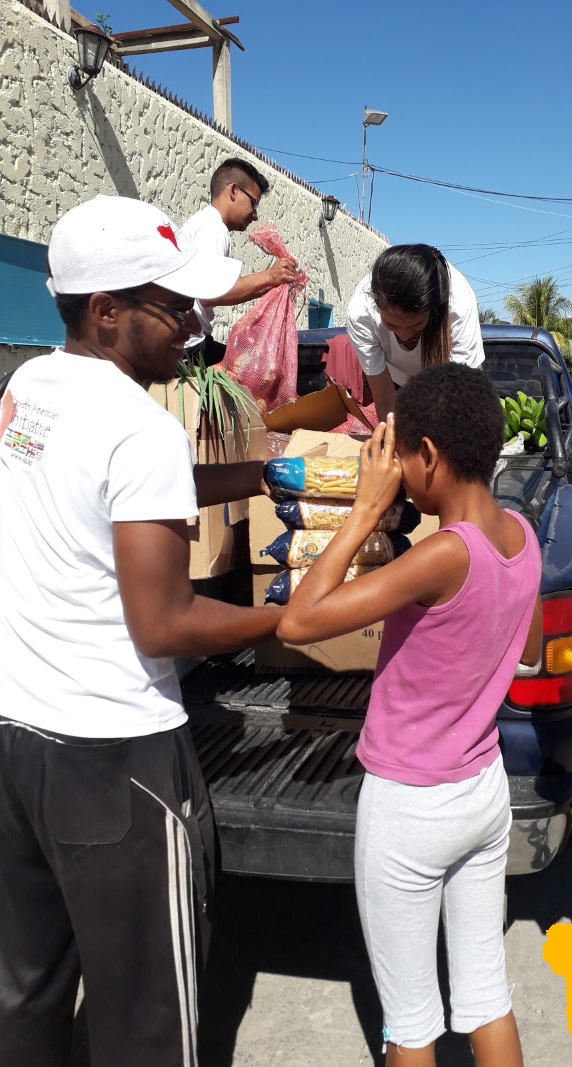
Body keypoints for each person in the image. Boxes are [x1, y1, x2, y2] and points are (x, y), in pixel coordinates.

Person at [0, 194, 283, 1067]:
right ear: (107, 310)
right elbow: (162, 622)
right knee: (149, 1018)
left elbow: (116, 497)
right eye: (175, 306)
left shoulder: (31, 388)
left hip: (18, 738)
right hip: (117, 761)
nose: (197, 325)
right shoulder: (142, 426)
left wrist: (263, 471)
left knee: (26, 992)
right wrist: (285, 617)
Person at [278, 363, 543, 1066]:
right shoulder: (522, 533)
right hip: (483, 789)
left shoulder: (440, 556)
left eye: (399, 458)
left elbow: (298, 621)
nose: (392, 470)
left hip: (410, 807)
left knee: (411, 1020)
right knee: (487, 993)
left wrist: (365, 511)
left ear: (428, 455)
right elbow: (532, 647)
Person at [346, 244, 485, 422]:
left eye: (417, 324)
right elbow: (385, 399)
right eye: (391, 324)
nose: (404, 336)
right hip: (394, 383)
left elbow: (459, 398)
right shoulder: (361, 313)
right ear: (376, 307)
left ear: (433, 310)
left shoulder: (458, 305)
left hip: (455, 389)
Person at [180, 156, 297, 365]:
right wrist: (269, 276)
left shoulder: (206, 224)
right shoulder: (212, 228)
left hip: (191, 344)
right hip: (190, 349)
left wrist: (271, 283)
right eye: (254, 203)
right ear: (233, 191)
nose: (255, 215)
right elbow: (209, 293)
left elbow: (221, 290)